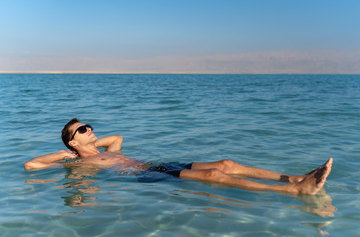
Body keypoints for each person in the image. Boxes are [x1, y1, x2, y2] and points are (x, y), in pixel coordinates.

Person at [24, 118, 333, 195]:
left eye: (89, 126)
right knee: (215, 176)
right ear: (72, 142)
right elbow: (31, 164)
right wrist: (68, 154)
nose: (90, 129)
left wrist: (89, 144)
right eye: (82, 130)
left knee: (226, 163)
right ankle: (294, 190)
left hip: (156, 166)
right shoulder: (76, 161)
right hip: (143, 175)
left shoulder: (107, 148)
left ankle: (295, 177)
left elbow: (116, 137)